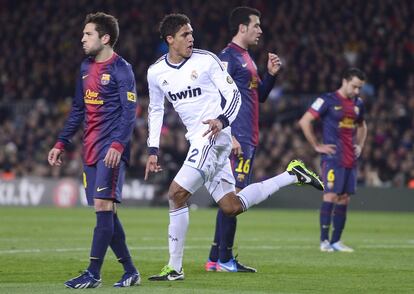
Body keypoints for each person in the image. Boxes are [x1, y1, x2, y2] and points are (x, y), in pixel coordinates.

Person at [145, 13, 323, 281]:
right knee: (231, 206)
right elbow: (155, 109)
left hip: (213, 136)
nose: (191, 38)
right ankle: (292, 175)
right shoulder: (156, 72)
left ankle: (175, 267)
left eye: (192, 33)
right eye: (185, 35)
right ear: (170, 39)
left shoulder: (207, 61)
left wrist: (222, 120)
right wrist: (152, 149)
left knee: (176, 193)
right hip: (199, 138)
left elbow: (235, 95)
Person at [48, 12, 140, 288]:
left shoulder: (121, 69)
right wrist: (61, 142)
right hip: (90, 148)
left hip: (110, 151)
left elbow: (129, 112)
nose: (82, 38)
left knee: (103, 206)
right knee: (106, 213)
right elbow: (78, 109)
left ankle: (93, 273)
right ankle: (130, 271)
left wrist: (117, 145)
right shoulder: (85, 68)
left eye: (88, 34)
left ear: (105, 37)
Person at [205, 6, 282, 273]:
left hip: (248, 137)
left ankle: (216, 258)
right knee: (235, 199)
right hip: (237, 138)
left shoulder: (246, 59)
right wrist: (231, 135)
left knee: (230, 198)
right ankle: (225, 260)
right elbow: (215, 97)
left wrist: (270, 75)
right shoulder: (226, 58)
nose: (260, 30)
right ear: (242, 28)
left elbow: (258, 96)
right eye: (256, 25)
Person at [298, 68, 367, 252]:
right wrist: (316, 145)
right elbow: (305, 121)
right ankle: (324, 241)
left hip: (350, 159)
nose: (357, 91)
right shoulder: (327, 100)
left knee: (344, 199)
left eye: (360, 88)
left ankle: (336, 241)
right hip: (332, 158)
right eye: (354, 86)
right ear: (344, 81)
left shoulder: (358, 103)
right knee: (330, 196)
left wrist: (360, 145)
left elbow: (362, 125)